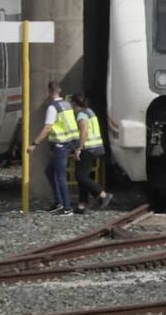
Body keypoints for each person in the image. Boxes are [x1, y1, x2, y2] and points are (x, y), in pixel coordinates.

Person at [29, 80, 79, 214]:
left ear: (49, 91)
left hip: (60, 144)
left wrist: (34, 144)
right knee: (50, 171)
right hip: (70, 142)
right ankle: (58, 203)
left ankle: (67, 208)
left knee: (61, 176)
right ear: (59, 90)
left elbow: (47, 128)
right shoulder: (67, 104)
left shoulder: (53, 108)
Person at [71, 93, 114, 214]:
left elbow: (84, 132)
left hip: (88, 148)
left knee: (80, 176)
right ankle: (82, 205)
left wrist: (79, 148)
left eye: (71, 103)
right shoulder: (90, 111)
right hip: (97, 148)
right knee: (84, 176)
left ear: (74, 103)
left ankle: (103, 195)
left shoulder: (81, 114)